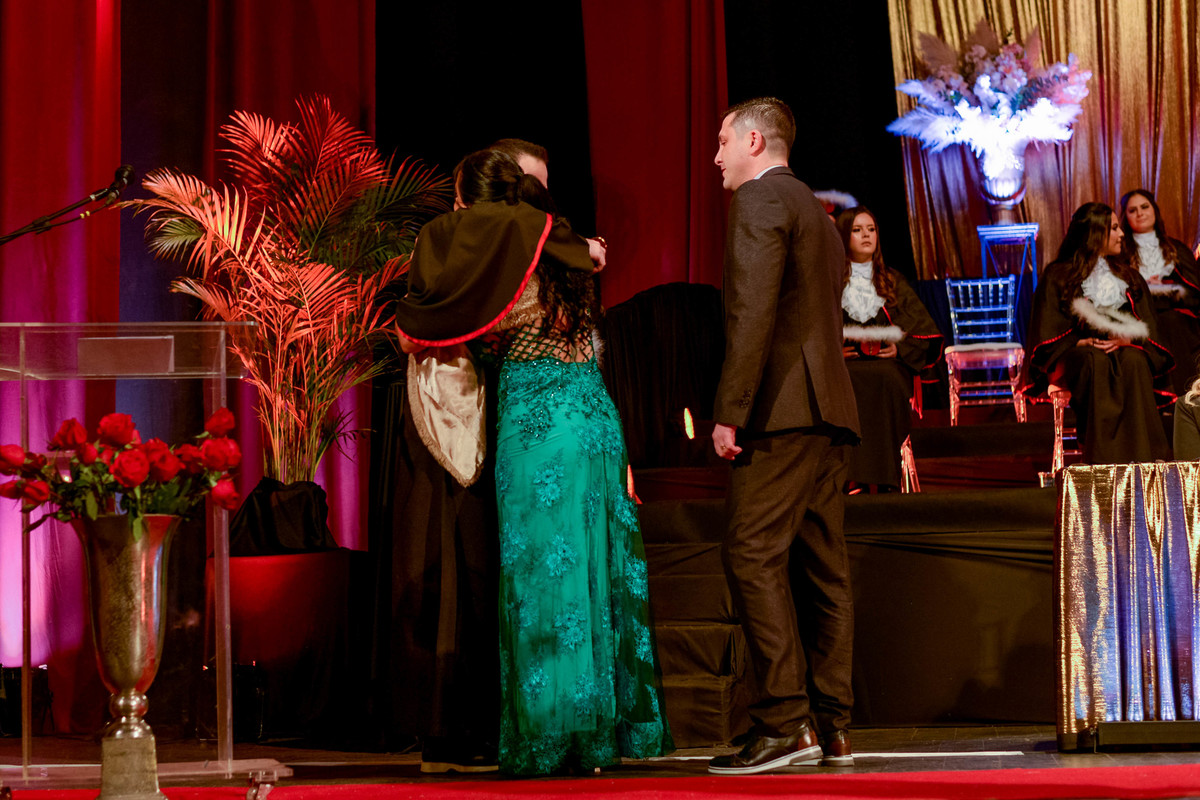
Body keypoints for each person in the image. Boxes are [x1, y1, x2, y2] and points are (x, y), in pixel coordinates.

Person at [395, 149, 673, 776]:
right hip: (595, 417)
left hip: (538, 422)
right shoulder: (563, 251)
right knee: (596, 573)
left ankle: (548, 738)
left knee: (544, 577)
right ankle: (597, 739)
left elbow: (421, 333)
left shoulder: (495, 256)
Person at [708, 97, 861, 775]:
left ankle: (783, 722)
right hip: (829, 411)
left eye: (722, 142)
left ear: (754, 141)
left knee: (750, 551)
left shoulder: (761, 198)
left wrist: (731, 410)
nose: (715, 157)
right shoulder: (817, 213)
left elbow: (752, 312)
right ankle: (833, 726)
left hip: (784, 410)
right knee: (824, 568)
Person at [1027, 202, 1172, 464]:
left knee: (1134, 361)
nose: (1122, 234)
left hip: (1124, 348)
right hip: (1077, 354)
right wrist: (1078, 341)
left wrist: (1129, 339)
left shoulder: (1128, 276)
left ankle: (1145, 456)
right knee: (1095, 361)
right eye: (1114, 228)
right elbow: (1048, 327)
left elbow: (1148, 324)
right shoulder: (1058, 275)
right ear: (1095, 234)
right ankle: (1102, 459)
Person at [836, 206, 942, 492]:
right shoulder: (829, 282)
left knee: (885, 378)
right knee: (849, 382)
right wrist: (834, 352)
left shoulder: (892, 281)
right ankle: (853, 477)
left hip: (890, 368)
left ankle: (886, 478)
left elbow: (923, 330)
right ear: (844, 236)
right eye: (857, 230)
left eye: (871, 229)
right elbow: (815, 327)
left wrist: (899, 348)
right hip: (846, 369)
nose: (866, 235)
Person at [1119, 188, 1200, 397]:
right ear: (1125, 217)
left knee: (1170, 321)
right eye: (1132, 210)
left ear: (1154, 210)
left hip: (1177, 318)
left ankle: (1186, 397)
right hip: (1139, 316)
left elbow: (1194, 293)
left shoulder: (1176, 249)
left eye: (1144, 207)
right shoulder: (1120, 253)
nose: (1140, 213)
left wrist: (1165, 287)